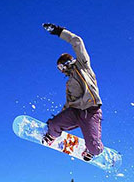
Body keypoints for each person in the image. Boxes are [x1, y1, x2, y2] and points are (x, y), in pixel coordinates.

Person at [41, 23, 104, 161]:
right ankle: (52, 134)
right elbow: (69, 104)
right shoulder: (69, 84)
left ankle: (93, 149)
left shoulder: (83, 65)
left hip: (91, 111)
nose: (61, 71)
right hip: (75, 112)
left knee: (95, 149)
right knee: (54, 124)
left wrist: (59, 31)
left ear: (66, 63)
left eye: (61, 67)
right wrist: (57, 120)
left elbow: (77, 41)